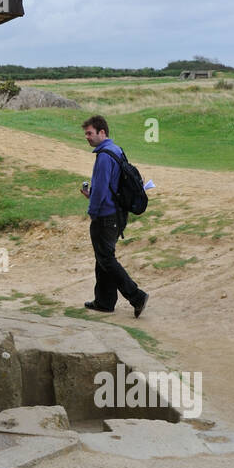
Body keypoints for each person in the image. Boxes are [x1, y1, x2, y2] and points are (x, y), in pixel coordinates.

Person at [80, 114, 148, 318]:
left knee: (106, 259)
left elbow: (100, 190)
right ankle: (104, 301)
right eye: (85, 134)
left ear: (102, 132)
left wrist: (92, 211)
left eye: (90, 133)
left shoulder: (103, 156)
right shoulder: (116, 150)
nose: (87, 137)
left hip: (105, 216)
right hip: (118, 214)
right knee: (103, 258)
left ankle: (136, 296)